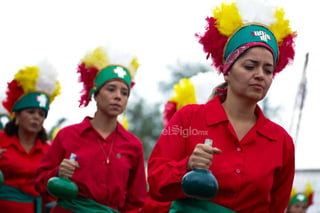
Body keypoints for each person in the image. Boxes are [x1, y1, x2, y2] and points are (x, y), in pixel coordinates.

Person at [147, 0, 297, 212]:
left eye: (268, 70)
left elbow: (277, 207)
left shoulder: (281, 142)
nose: (260, 75)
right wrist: (187, 165)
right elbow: (155, 181)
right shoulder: (188, 118)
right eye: (250, 66)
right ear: (227, 70)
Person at [35, 45, 147, 213]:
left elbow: (136, 200)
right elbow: (39, 183)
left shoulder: (133, 145)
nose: (118, 96)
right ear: (95, 93)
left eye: (125, 93)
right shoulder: (67, 135)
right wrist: (58, 172)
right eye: (111, 89)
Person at [0, 60, 61, 213]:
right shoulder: (1, 140)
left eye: (41, 114)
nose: (36, 118)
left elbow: (51, 190)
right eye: (30, 112)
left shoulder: (49, 150)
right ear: (17, 115)